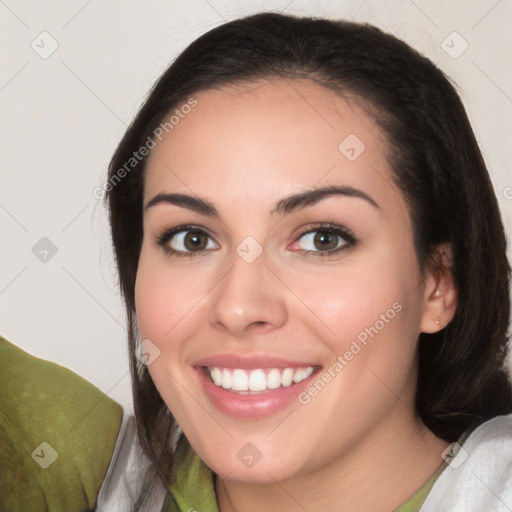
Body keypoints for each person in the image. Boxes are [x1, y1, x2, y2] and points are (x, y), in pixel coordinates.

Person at [1, 12, 512, 512]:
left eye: (322, 240)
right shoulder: (66, 464)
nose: (239, 307)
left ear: (438, 284)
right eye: (193, 239)